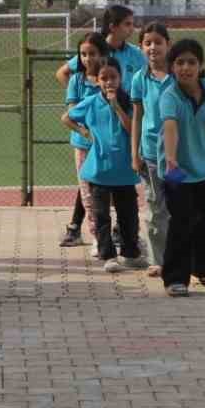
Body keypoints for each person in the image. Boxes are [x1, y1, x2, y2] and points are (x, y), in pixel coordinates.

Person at [57, 5, 145, 250]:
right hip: (91, 138)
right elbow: (65, 74)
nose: (132, 28)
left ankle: (124, 235)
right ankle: (97, 236)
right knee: (92, 187)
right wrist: (80, 106)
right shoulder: (95, 50)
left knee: (114, 187)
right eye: (127, 24)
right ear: (113, 26)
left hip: (120, 134)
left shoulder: (134, 54)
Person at [158, 38, 205, 297]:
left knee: (203, 223)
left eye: (191, 62)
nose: (185, 68)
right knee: (180, 224)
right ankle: (175, 279)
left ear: (201, 65)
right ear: (172, 67)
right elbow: (170, 127)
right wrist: (171, 160)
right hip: (177, 171)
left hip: (204, 169)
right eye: (179, 62)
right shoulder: (169, 96)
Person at [64, 57, 146, 272]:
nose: (109, 82)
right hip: (99, 170)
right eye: (104, 78)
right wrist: (84, 132)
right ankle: (107, 254)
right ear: (97, 80)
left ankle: (131, 253)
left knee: (128, 215)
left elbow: (132, 129)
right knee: (101, 216)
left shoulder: (129, 102)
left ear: (121, 78)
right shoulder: (91, 101)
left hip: (125, 171)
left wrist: (117, 106)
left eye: (113, 77)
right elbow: (66, 117)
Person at [128, 22, 173, 277]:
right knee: (157, 207)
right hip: (151, 155)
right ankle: (159, 259)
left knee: (180, 207)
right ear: (141, 47)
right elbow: (137, 117)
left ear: (168, 44)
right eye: (147, 43)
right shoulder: (139, 79)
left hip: (179, 155)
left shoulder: (179, 76)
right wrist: (134, 153)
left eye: (158, 41)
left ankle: (181, 256)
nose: (153, 47)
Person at [59, 33, 111, 249]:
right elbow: (71, 115)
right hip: (84, 146)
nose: (88, 59)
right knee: (87, 193)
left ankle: (115, 233)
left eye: (92, 54)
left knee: (108, 191)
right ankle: (97, 237)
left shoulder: (108, 78)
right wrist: (86, 132)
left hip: (107, 146)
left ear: (102, 55)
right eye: (83, 54)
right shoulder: (76, 81)